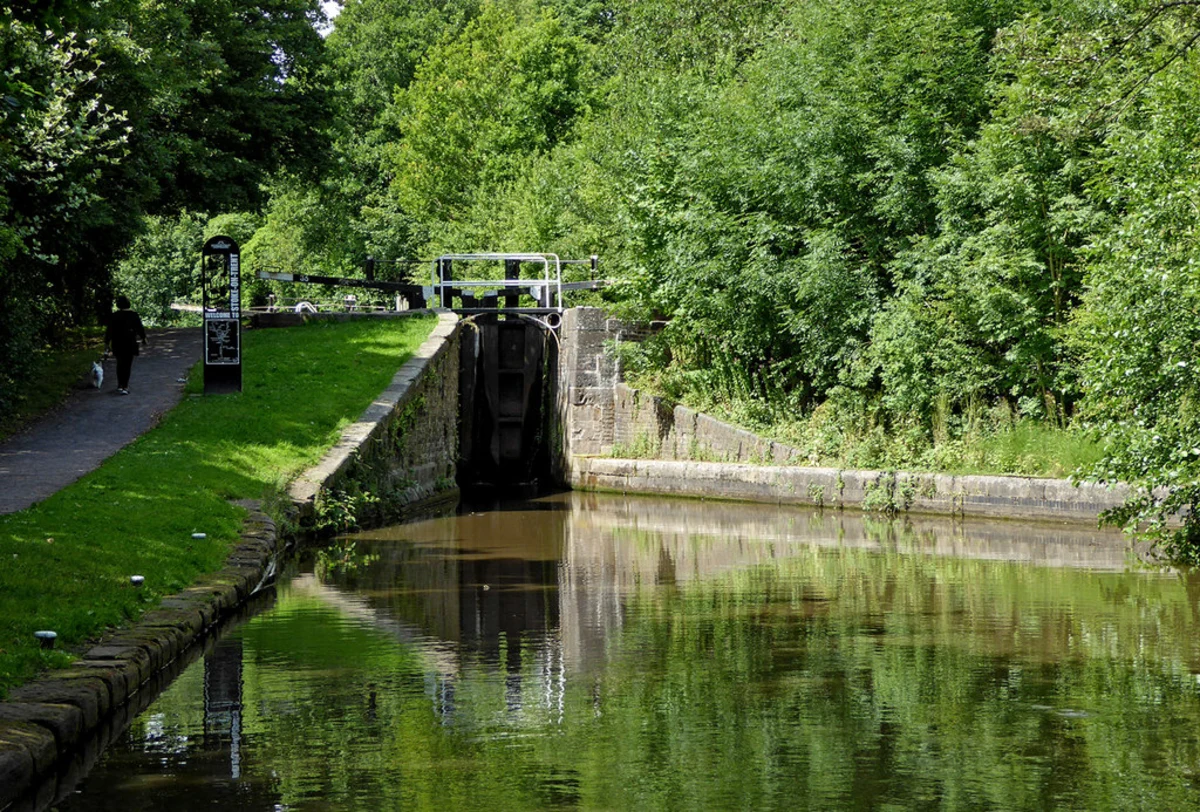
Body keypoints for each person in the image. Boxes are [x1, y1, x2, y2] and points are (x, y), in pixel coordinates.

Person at [104, 295, 147, 395]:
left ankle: (119, 385)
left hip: (117, 343)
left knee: (119, 364)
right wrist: (143, 338)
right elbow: (139, 328)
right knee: (127, 365)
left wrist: (107, 343)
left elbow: (109, 331)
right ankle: (125, 386)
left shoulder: (114, 316)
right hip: (130, 343)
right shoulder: (133, 315)